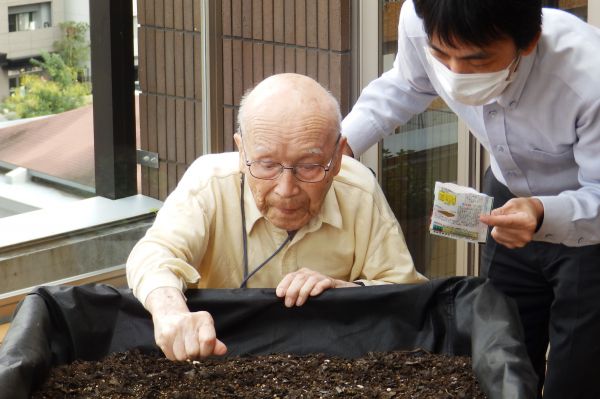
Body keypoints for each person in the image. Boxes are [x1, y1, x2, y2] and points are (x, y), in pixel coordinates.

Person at [341, 0, 600, 397]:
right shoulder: (420, 17)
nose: (455, 74)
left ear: (528, 41)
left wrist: (543, 212)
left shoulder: (588, 77)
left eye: (477, 60)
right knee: (500, 345)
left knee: (579, 369)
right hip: (505, 195)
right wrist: (343, 143)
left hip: (587, 224)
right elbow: (409, 83)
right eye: (441, 54)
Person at [126, 73, 427, 362]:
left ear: (337, 158)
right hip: (219, 356)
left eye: (309, 166)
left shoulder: (358, 191)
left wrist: (348, 292)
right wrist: (170, 311)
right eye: (267, 165)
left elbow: (406, 293)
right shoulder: (209, 183)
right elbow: (153, 253)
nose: (286, 190)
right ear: (242, 151)